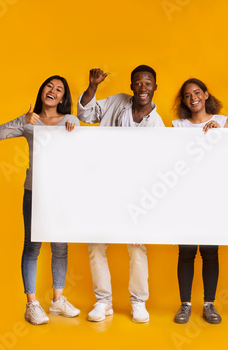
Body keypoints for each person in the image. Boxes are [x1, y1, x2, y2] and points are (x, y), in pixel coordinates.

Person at [75, 65, 164, 323]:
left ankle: (138, 302)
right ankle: (103, 302)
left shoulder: (157, 124)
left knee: (137, 247)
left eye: (148, 83)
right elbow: (86, 114)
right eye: (138, 82)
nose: (143, 87)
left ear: (154, 87)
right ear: (131, 86)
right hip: (105, 188)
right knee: (96, 245)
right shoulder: (117, 103)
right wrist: (93, 86)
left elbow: (156, 168)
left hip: (137, 195)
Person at [0, 75, 81, 325]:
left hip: (60, 193)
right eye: (49, 86)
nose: (53, 90)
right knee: (32, 247)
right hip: (34, 191)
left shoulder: (70, 120)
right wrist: (22, 119)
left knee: (60, 247)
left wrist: (74, 132)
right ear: (42, 91)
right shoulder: (30, 121)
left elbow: (81, 152)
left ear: (63, 97)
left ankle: (57, 301)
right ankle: (31, 305)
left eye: (59, 89)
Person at [171, 78, 228, 324]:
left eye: (197, 92)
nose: (193, 97)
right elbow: (172, 158)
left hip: (212, 197)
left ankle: (209, 304)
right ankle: (185, 304)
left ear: (206, 95)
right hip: (185, 197)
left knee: (210, 252)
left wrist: (222, 136)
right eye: (187, 95)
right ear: (184, 101)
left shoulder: (224, 122)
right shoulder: (177, 126)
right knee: (185, 252)